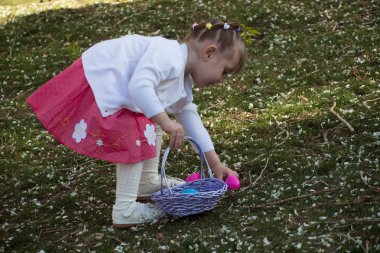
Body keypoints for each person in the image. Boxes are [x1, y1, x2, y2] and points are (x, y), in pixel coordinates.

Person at [26, 19, 247, 227]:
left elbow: (190, 119)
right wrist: (166, 122)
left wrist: (215, 163)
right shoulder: (169, 55)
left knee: (152, 119)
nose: (221, 80)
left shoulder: (182, 79)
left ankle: (146, 181)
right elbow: (139, 86)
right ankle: (124, 209)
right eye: (224, 72)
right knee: (140, 128)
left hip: (117, 86)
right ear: (209, 53)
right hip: (101, 81)